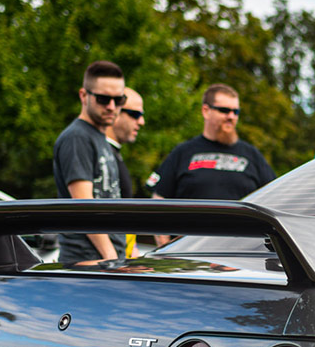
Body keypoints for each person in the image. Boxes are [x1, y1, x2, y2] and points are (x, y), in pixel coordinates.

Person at [52, 60, 128, 263]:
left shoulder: (99, 138)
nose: (112, 107)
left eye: (119, 100)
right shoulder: (77, 138)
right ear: (83, 96)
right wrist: (110, 257)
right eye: (103, 99)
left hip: (104, 260)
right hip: (87, 261)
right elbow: (83, 206)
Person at [145, 84, 276, 200]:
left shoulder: (252, 155)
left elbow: (276, 197)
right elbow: (159, 199)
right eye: (224, 110)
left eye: (236, 112)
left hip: (240, 228)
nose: (231, 116)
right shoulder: (183, 152)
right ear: (206, 111)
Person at [105, 87, 145, 198]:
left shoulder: (113, 154)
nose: (142, 122)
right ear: (115, 112)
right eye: (135, 114)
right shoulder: (98, 153)